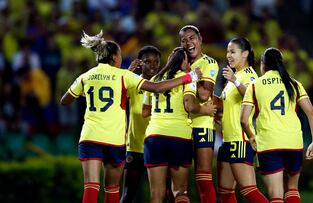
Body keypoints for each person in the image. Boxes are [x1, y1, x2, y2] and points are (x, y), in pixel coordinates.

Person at [60, 31, 201, 203]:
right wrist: (189, 77)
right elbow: (156, 88)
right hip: (123, 142)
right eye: (119, 55)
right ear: (113, 57)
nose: (121, 58)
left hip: (95, 136)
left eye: (156, 61)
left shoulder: (87, 75)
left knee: (92, 186)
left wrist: (89, 95)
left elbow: (65, 100)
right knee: (117, 190)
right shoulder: (127, 77)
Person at [241, 48, 313, 203]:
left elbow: (243, 119)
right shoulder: (294, 83)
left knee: (276, 195)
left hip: (269, 142)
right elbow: (311, 114)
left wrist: (251, 136)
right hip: (293, 142)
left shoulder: (255, 85)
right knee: (292, 189)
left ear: (263, 64)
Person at [142, 47, 216, 203]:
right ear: (184, 61)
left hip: (154, 137)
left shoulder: (155, 79)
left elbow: (145, 111)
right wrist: (205, 110)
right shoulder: (188, 78)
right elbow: (189, 105)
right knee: (180, 191)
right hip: (179, 136)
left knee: (156, 194)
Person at [217, 37, 268, 203]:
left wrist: (235, 81)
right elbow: (230, 105)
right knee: (225, 193)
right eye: (227, 52)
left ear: (245, 54)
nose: (229, 55)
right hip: (227, 139)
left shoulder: (249, 75)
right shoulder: (234, 76)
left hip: (241, 139)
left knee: (248, 190)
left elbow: (253, 97)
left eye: (233, 52)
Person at [179, 25, 219, 203]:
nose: (188, 42)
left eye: (191, 38)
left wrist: (188, 74)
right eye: (183, 40)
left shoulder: (209, 63)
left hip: (201, 125)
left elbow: (204, 95)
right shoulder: (180, 63)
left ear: (200, 39)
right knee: (178, 182)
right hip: (180, 127)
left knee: (203, 178)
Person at [121, 45, 161, 203]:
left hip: (158, 146)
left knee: (161, 194)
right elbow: (116, 94)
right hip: (136, 147)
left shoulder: (165, 85)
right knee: (128, 194)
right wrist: (128, 73)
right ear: (140, 63)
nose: (152, 65)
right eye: (148, 61)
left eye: (156, 62)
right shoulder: (132, 83)